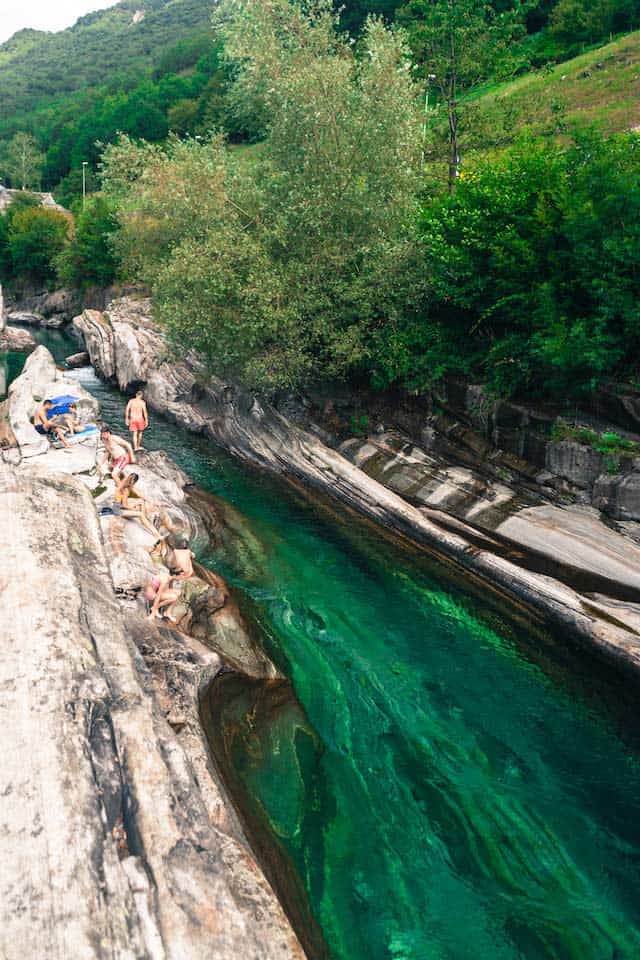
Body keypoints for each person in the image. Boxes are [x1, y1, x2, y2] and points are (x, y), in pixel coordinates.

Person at [114, 471, 158, 538]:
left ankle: (145, 520)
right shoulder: (125, 489)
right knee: (140, 514)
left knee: (141, 501)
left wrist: (151, 501)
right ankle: (154, 533)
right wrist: (134, 509)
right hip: (118, 510)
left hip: (119, 506)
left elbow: (138, 494)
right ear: (133, 482)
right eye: (134, 482)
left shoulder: (125, 484)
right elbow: (124, 506)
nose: (133, 484)